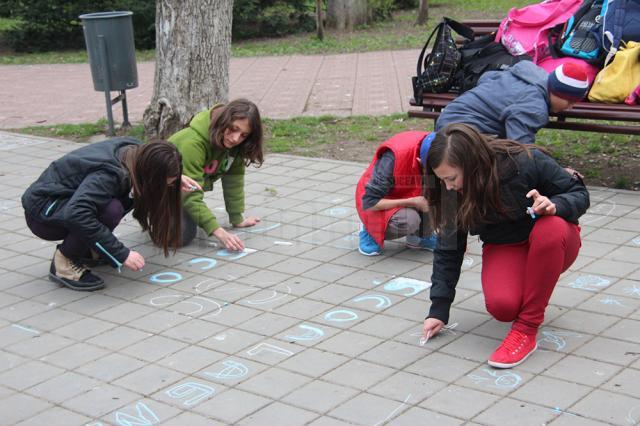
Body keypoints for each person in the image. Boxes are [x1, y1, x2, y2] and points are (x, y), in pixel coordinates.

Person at [421, 123, 589, 368]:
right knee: (503, 307)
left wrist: (555, 205)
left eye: (451, 178)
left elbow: (578, 193)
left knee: (550, 228)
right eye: (442, 180)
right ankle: (529, 294)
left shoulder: (524, 162)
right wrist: (438, 309)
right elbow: (449, 248)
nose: (448, 186)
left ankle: (526, 330)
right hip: (506, 245)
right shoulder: (450, 191)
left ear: (472, 163)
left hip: (555, 240)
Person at [22, 138, 186, 291]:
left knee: (117, 202)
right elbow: (77, 213)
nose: (168, 185)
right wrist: (121, 253)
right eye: (165, 181)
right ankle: (64, 263)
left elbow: (152, 169)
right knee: (111, 209)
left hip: (67, 200)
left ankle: (88, 250)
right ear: (153, 175)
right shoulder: (111, 175)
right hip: (43, 212)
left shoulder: (137, 154)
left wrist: (175, 177)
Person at [169, 98, 264, 251]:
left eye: (243, 135)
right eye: (233, 129)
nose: (235, 138)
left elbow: (234, 182)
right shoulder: (192, 143)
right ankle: (152, 216)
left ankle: (177, 213)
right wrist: (220, 233)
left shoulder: (235, 145)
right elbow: (191, 195)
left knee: (188, 223)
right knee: (179, 236)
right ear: (223, 120)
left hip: (182, 192)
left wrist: (237, 218)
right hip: (156, 191)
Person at [435, 61, 590, 145]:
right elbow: (521, 147)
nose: (570, 106)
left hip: (450, 114)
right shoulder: (534, 109)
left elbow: (487, 77)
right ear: (556, 91)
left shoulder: (531, 74)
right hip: (459, 134)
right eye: (568, 101)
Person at [355, 131, 437, 256]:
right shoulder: (393, 157)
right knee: (410, 220)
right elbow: (370, 202)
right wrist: (412, 201)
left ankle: (421, 236)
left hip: (409, 190)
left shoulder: (439, 144)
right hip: (376, 199)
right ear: (420, 161)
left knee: (443, 192)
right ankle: (369, 229)